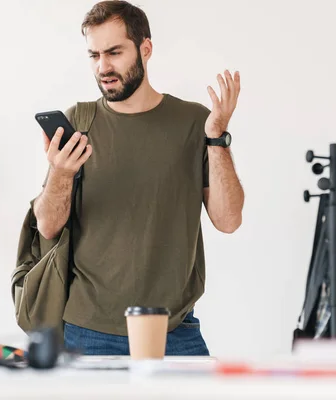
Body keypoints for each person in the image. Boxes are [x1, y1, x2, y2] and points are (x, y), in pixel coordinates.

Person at [32, 0, 244, 356]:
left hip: (175, 330)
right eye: (94, 55)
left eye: (114, 52)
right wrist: (61, 171)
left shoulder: (194, 122)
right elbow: (48, 226)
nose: (103, 67)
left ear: (145, 49)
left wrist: (217, 136)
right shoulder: (79, 121)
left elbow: (228, 220)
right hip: (88, 333)